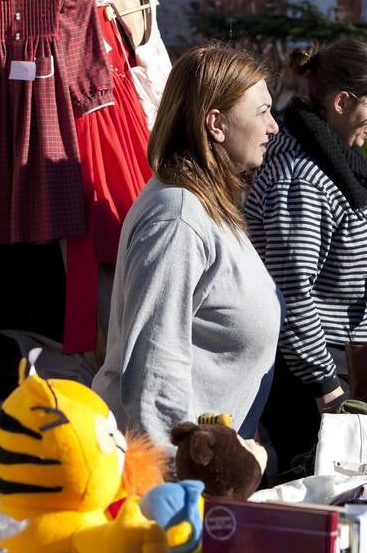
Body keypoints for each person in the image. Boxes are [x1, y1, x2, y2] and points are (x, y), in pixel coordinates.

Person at [93, 43, 282, 453]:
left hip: (206, 470)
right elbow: (154, 369)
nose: (273, 127)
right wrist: (176, 483)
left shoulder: (207, 205)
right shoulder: (177, 217)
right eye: (262, 111)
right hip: (168, 483)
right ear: (216, 123)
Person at [246, 38, 367, 471]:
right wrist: (325, 386)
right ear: (341, 101)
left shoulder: (330, 165)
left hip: (336, 366)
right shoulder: (301, 179)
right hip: (310, 383)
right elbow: (292, 294)